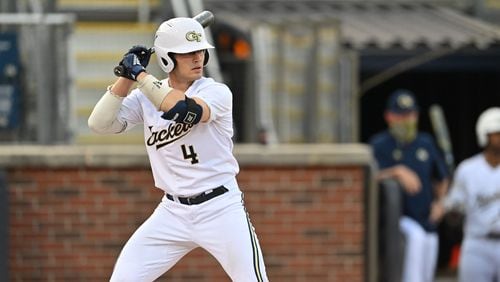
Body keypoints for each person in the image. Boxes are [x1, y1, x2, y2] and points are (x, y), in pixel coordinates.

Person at [88, 17, 268, 282]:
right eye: (186, 53)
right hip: (172, 212)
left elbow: (183, 110)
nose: (197, 58)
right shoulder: (145, 96)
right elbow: (99, 124)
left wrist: (140, 73)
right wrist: (125, 78)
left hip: (220, 207)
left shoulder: (216, 91)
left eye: (200, 51)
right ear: (167, 59)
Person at [369, 89, 450, 282]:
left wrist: (441, 202)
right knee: (413, 258)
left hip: (428, 220)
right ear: (389, 116)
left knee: (426, 274)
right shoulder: (379, 144)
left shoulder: (425, 142)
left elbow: (442, 178)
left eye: (411, 114)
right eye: (401, 115)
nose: (407, 120)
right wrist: (396, 171)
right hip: (399, 219)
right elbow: (368, 176)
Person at [443, 107, 500, 282]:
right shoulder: (467, 169)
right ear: (484, 135)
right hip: (477, 244)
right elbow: (453, 216)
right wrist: (454, 211)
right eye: (496, 133)